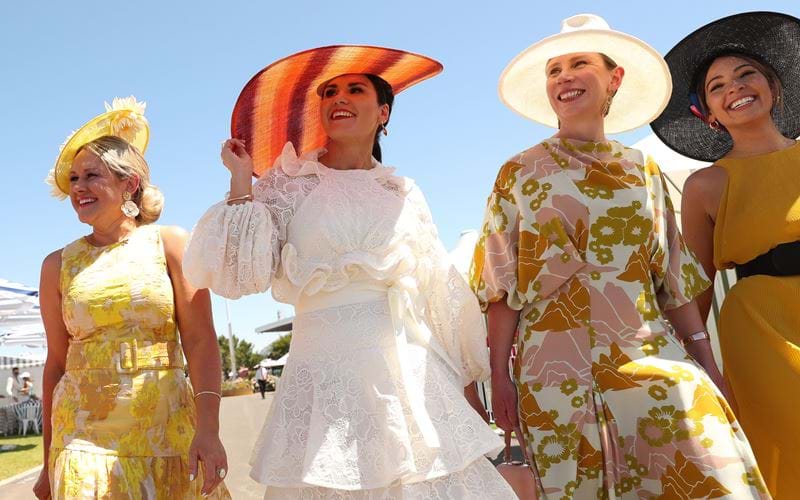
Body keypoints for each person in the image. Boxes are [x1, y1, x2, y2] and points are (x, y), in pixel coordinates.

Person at [184, 45, 515, 498]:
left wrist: (466, 387)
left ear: (383, 112)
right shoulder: (290, 181)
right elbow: (242, 276)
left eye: (354, 89)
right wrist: (242, 180)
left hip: (409, 374)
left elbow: (437, 289)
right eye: (329, 91)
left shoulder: (402, 190)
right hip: (320, 373)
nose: (338, 97)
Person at [470, 14, 769, 498]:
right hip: (552, 368)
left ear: (614, 78)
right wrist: (500, 377)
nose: (564, 76)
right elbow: (499, 284)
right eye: (554, 70)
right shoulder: (518, 172)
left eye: (579, 63)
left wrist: (708, 367)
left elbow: (672, 278)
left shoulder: (643, 170)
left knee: (715, 473)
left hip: (647, 350)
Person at [33, 97, 230, 499]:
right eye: (73, 179)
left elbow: (200, 341)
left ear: (129, 183)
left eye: (92, 175)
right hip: (81, 437)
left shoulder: (171, 243)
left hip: (166, 431)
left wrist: (208, 430)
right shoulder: (56, 265)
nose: (79, 188)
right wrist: (47, 460)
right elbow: (56, 365)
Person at [650, 11, 800, 497]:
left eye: (745, 74)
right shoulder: (705, 185)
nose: (734, 88)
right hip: (759, 330)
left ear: (772, 87)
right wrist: (694, 368)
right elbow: (695, 287)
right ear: (708, 112)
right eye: (716, 86)